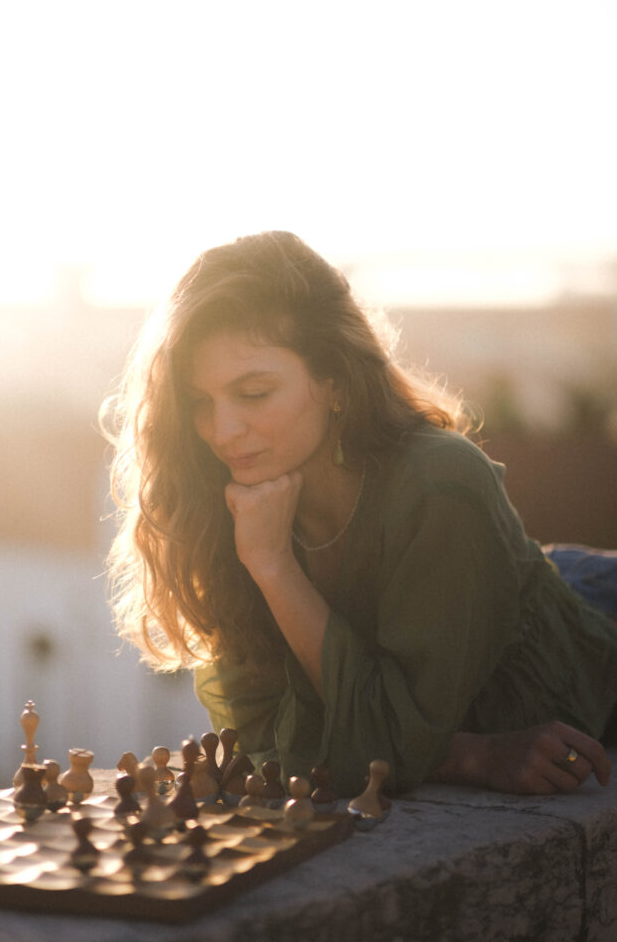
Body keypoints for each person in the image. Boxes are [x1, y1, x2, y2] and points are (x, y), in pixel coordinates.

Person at [103, 230, 617, 798]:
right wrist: (469, 753)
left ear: (335, 382)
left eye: (253, 393)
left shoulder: (442, 484)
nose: (222, 432)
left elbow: (389, 745)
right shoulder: (229, 496)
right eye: (201, 402)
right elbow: (259, 738)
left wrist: (274, 567)